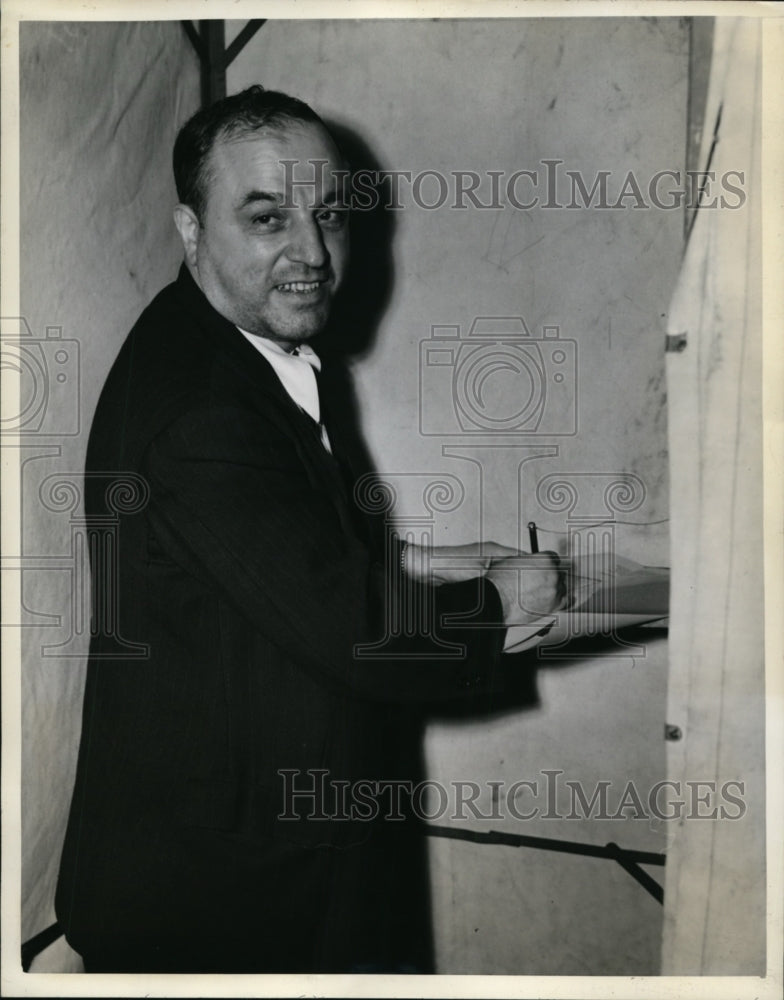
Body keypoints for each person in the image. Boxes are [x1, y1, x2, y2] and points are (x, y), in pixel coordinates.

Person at [55, 85, 562, 974]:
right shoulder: (202, 410)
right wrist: (499, 602)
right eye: (267, 218)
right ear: (189, 230)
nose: (313, 252)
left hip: (260, 857)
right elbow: (355, 636)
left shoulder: (238, 347)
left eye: (328, 214)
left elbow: (266, 558)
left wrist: (426, 559)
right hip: (216, 901)